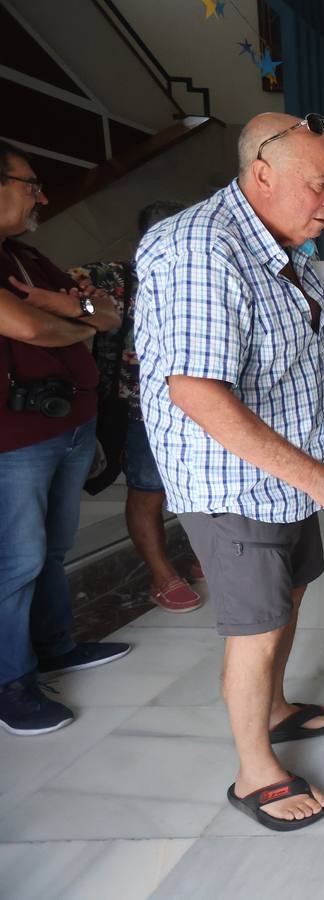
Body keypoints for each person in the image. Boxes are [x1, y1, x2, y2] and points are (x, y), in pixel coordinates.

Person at [135, 112, 324, 830]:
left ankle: (278, 709)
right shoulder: (201, 247)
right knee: (254, 623)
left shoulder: (288, 251)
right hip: (230, 480)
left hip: (284, 474)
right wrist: (319, 478)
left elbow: (308, 366)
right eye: (321, 184)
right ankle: (254, 772)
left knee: (287, 594)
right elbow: (195, 390)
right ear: (262, 174)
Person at [0, 141, 130, 736]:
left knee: (52, 548)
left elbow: (107, 316)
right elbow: (26, 324)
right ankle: (12, 681)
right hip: (17, 438)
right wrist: (69, 319)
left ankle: (55, 646)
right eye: (30, 184)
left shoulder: (26, 258)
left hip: (69, 425)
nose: (40, 196)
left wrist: (70, 307)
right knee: (18, 559)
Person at [74, 201, 205, 614]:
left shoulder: (196, 276)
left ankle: (208, 554)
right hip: (140, 410)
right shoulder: (114, 277)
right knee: (148, 491)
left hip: (201, 404)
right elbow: (65, 287)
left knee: (203, 488)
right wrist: (90, 312)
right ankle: (162, 576)